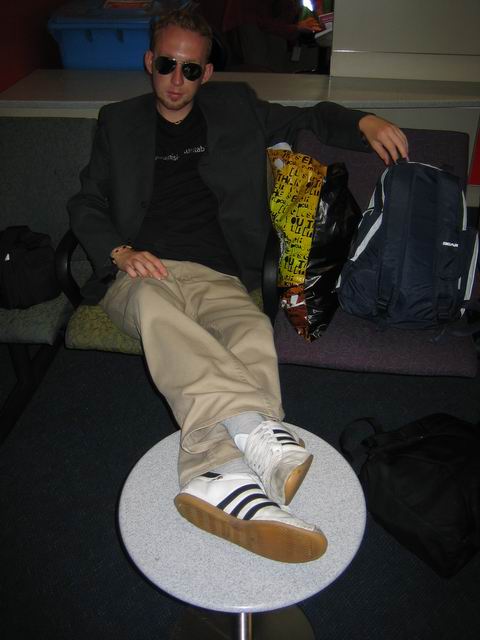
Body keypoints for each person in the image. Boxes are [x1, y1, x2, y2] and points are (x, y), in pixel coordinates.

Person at [68, 8, 408, 563]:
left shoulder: (237, 108)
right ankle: (254, 431)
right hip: (141, 272)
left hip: (218, 273)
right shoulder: (118, 120)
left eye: (191, 70)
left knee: (251, 328)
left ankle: (216, 475)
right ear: (150, 61)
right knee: (158, 312)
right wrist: (120, 251)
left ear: (207, 73)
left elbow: (311, 117)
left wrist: (364, 121)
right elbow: (86, 201)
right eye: (167, 65)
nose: (177, 80)